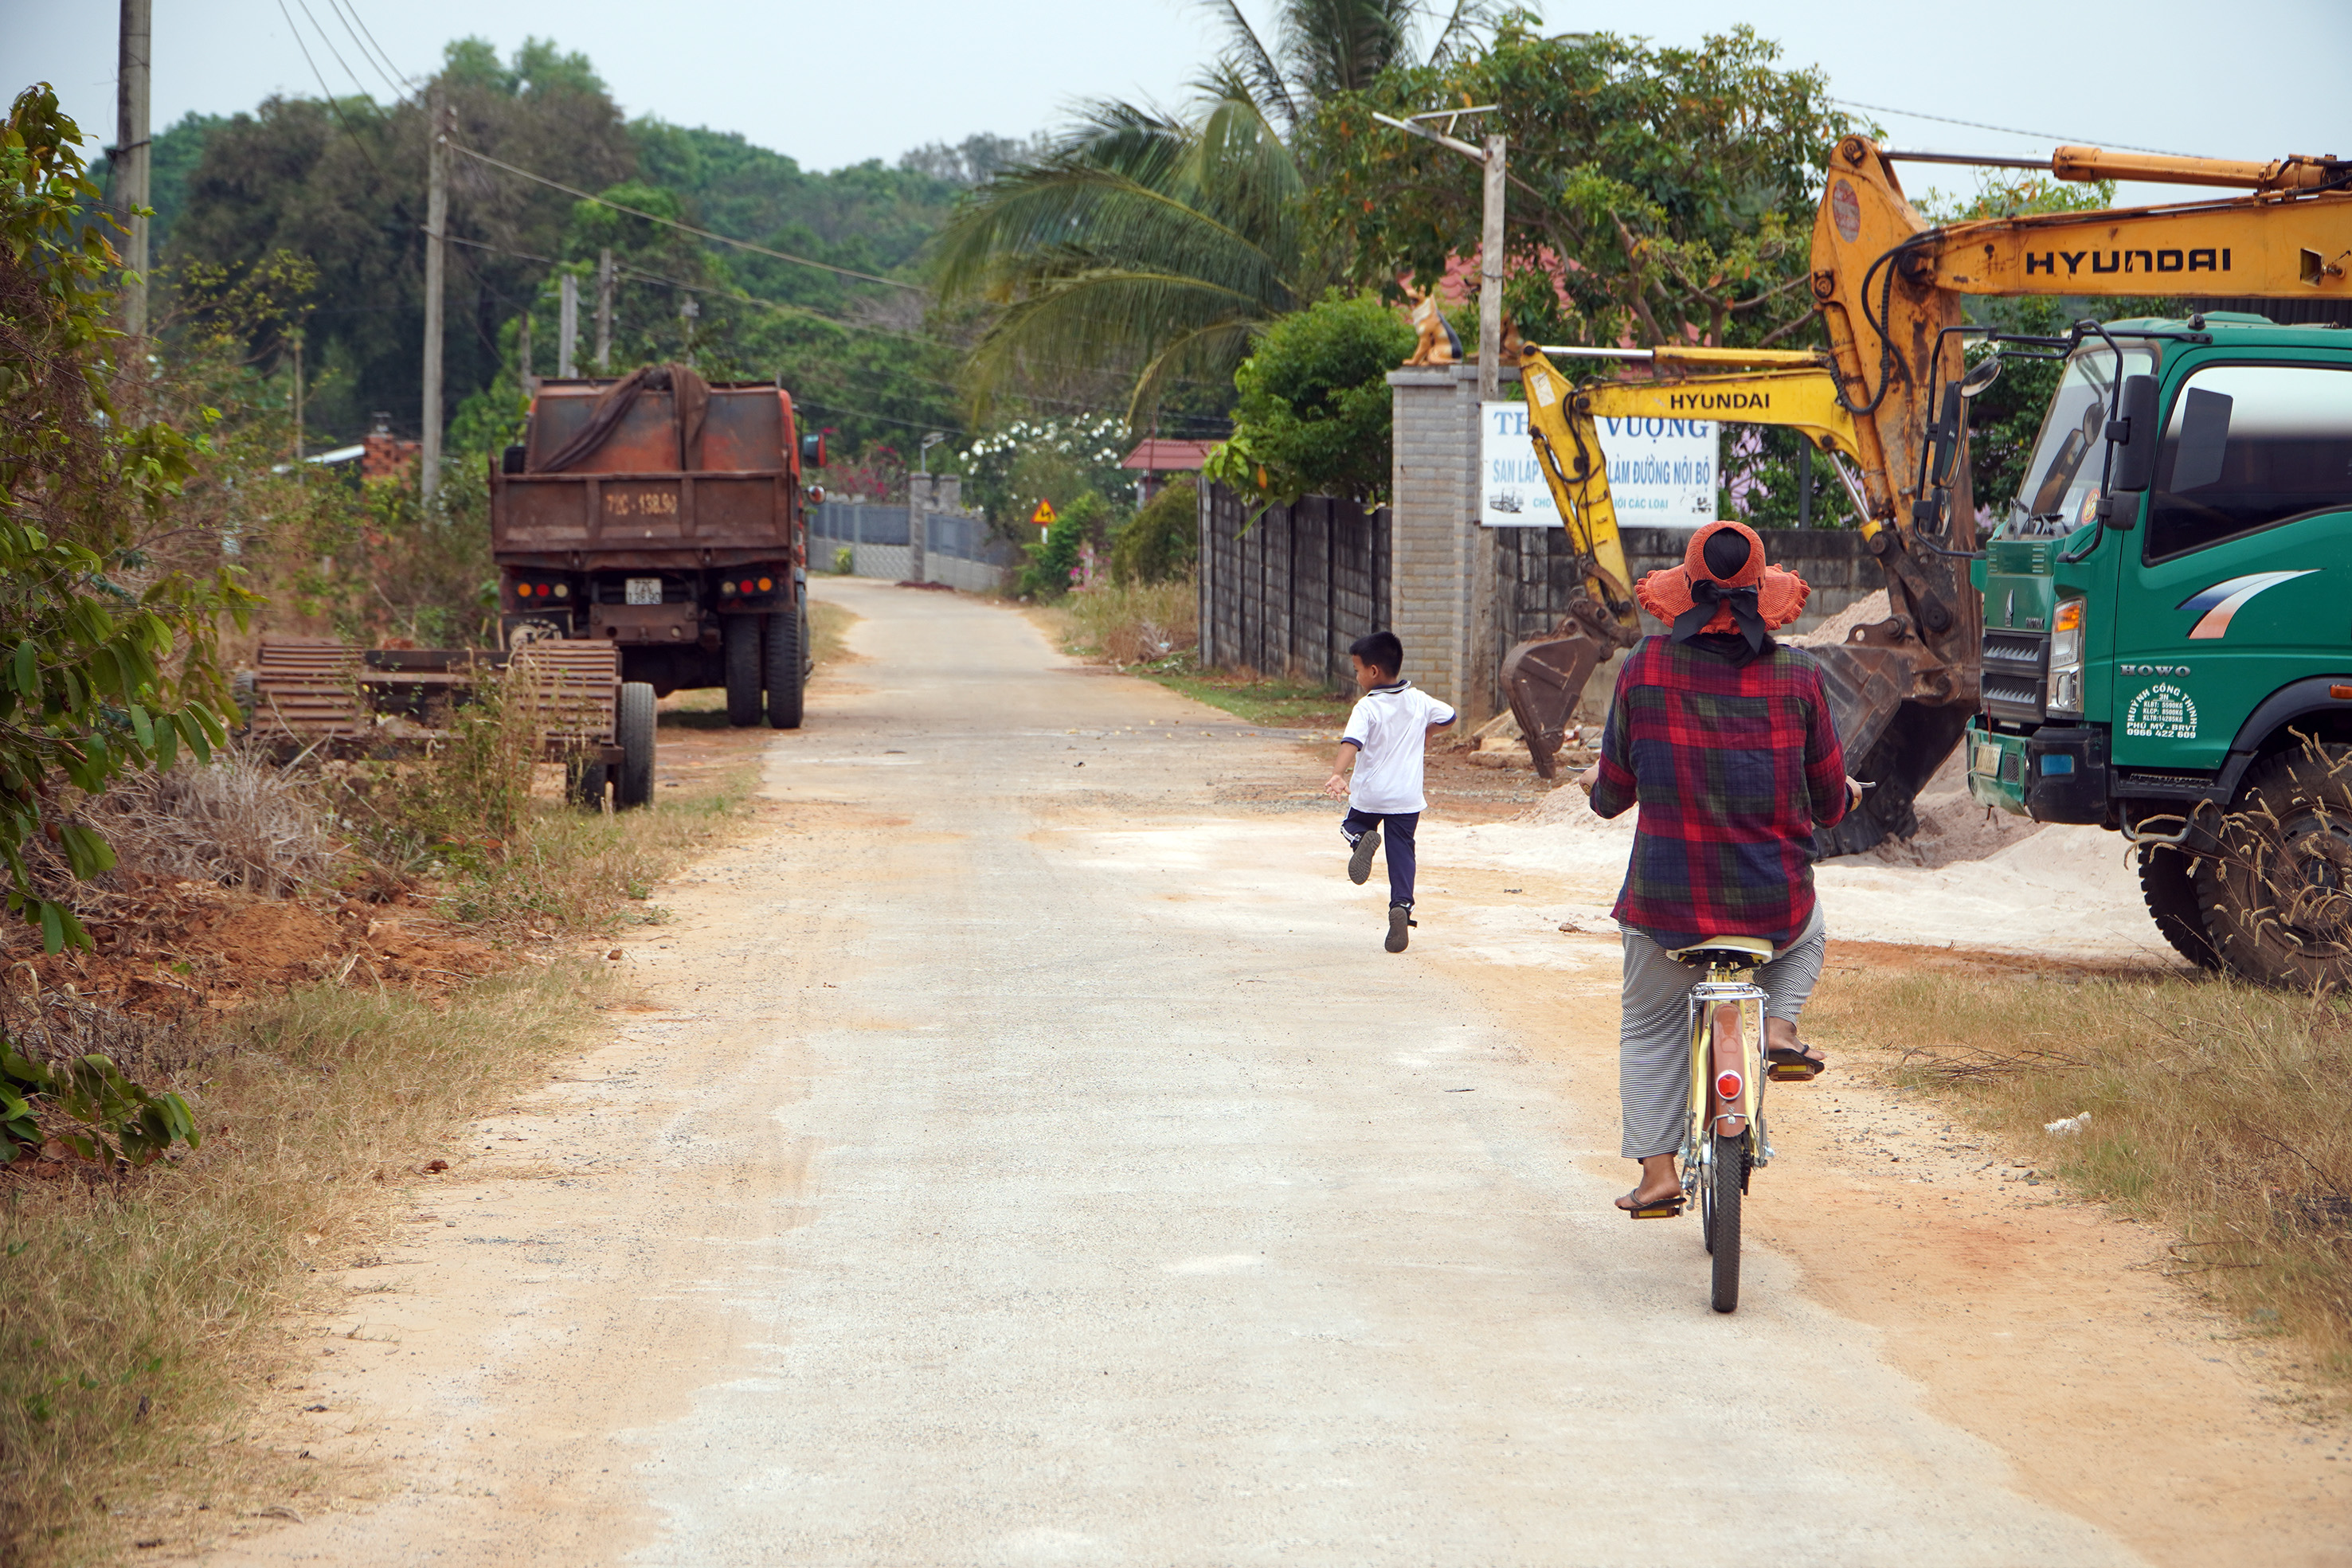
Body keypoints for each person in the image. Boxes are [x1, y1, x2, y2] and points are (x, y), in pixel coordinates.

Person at [1572, 522, 1860, 1218]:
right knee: (1812, 928)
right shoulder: (1797, 675)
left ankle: (1656, 1174)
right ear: (1763, 593)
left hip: (1665, 906)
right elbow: (1828, 804)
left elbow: (1611, 796)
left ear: (1685, 590)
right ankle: (1782, 1025)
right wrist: (1843, 793)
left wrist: (1593, 780)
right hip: (1772, 905)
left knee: (1647, 1027)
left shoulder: (1644, 666)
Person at [1323, 631, 1456, 952]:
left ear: (1373, 672)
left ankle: (1360, 841)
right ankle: (1401, 907)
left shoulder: (1367, 707)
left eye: (1357, 670)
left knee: (1351, 825)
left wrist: (1338, 774)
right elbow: (1450, 716)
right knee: (1402, 851)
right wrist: (1428, 731)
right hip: (1406, 798)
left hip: (1371, 794)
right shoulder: (1420, 700)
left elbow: (1351, 742)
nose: (1356, 677)